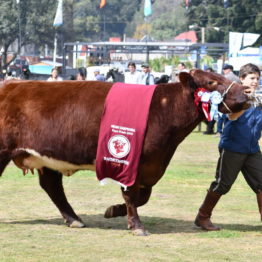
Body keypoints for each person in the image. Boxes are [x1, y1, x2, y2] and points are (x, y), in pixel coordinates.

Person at [194, 63, 262, 231]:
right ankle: (202, 217)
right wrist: (248, 100)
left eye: (257, 79)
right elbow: (232, 117)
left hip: (252, 149)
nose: (255, 82)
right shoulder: (234, 96)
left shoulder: (258, 97)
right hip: (233, 148)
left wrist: (257, 99)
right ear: (242, 78)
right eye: (252, 78)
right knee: (223, 184)